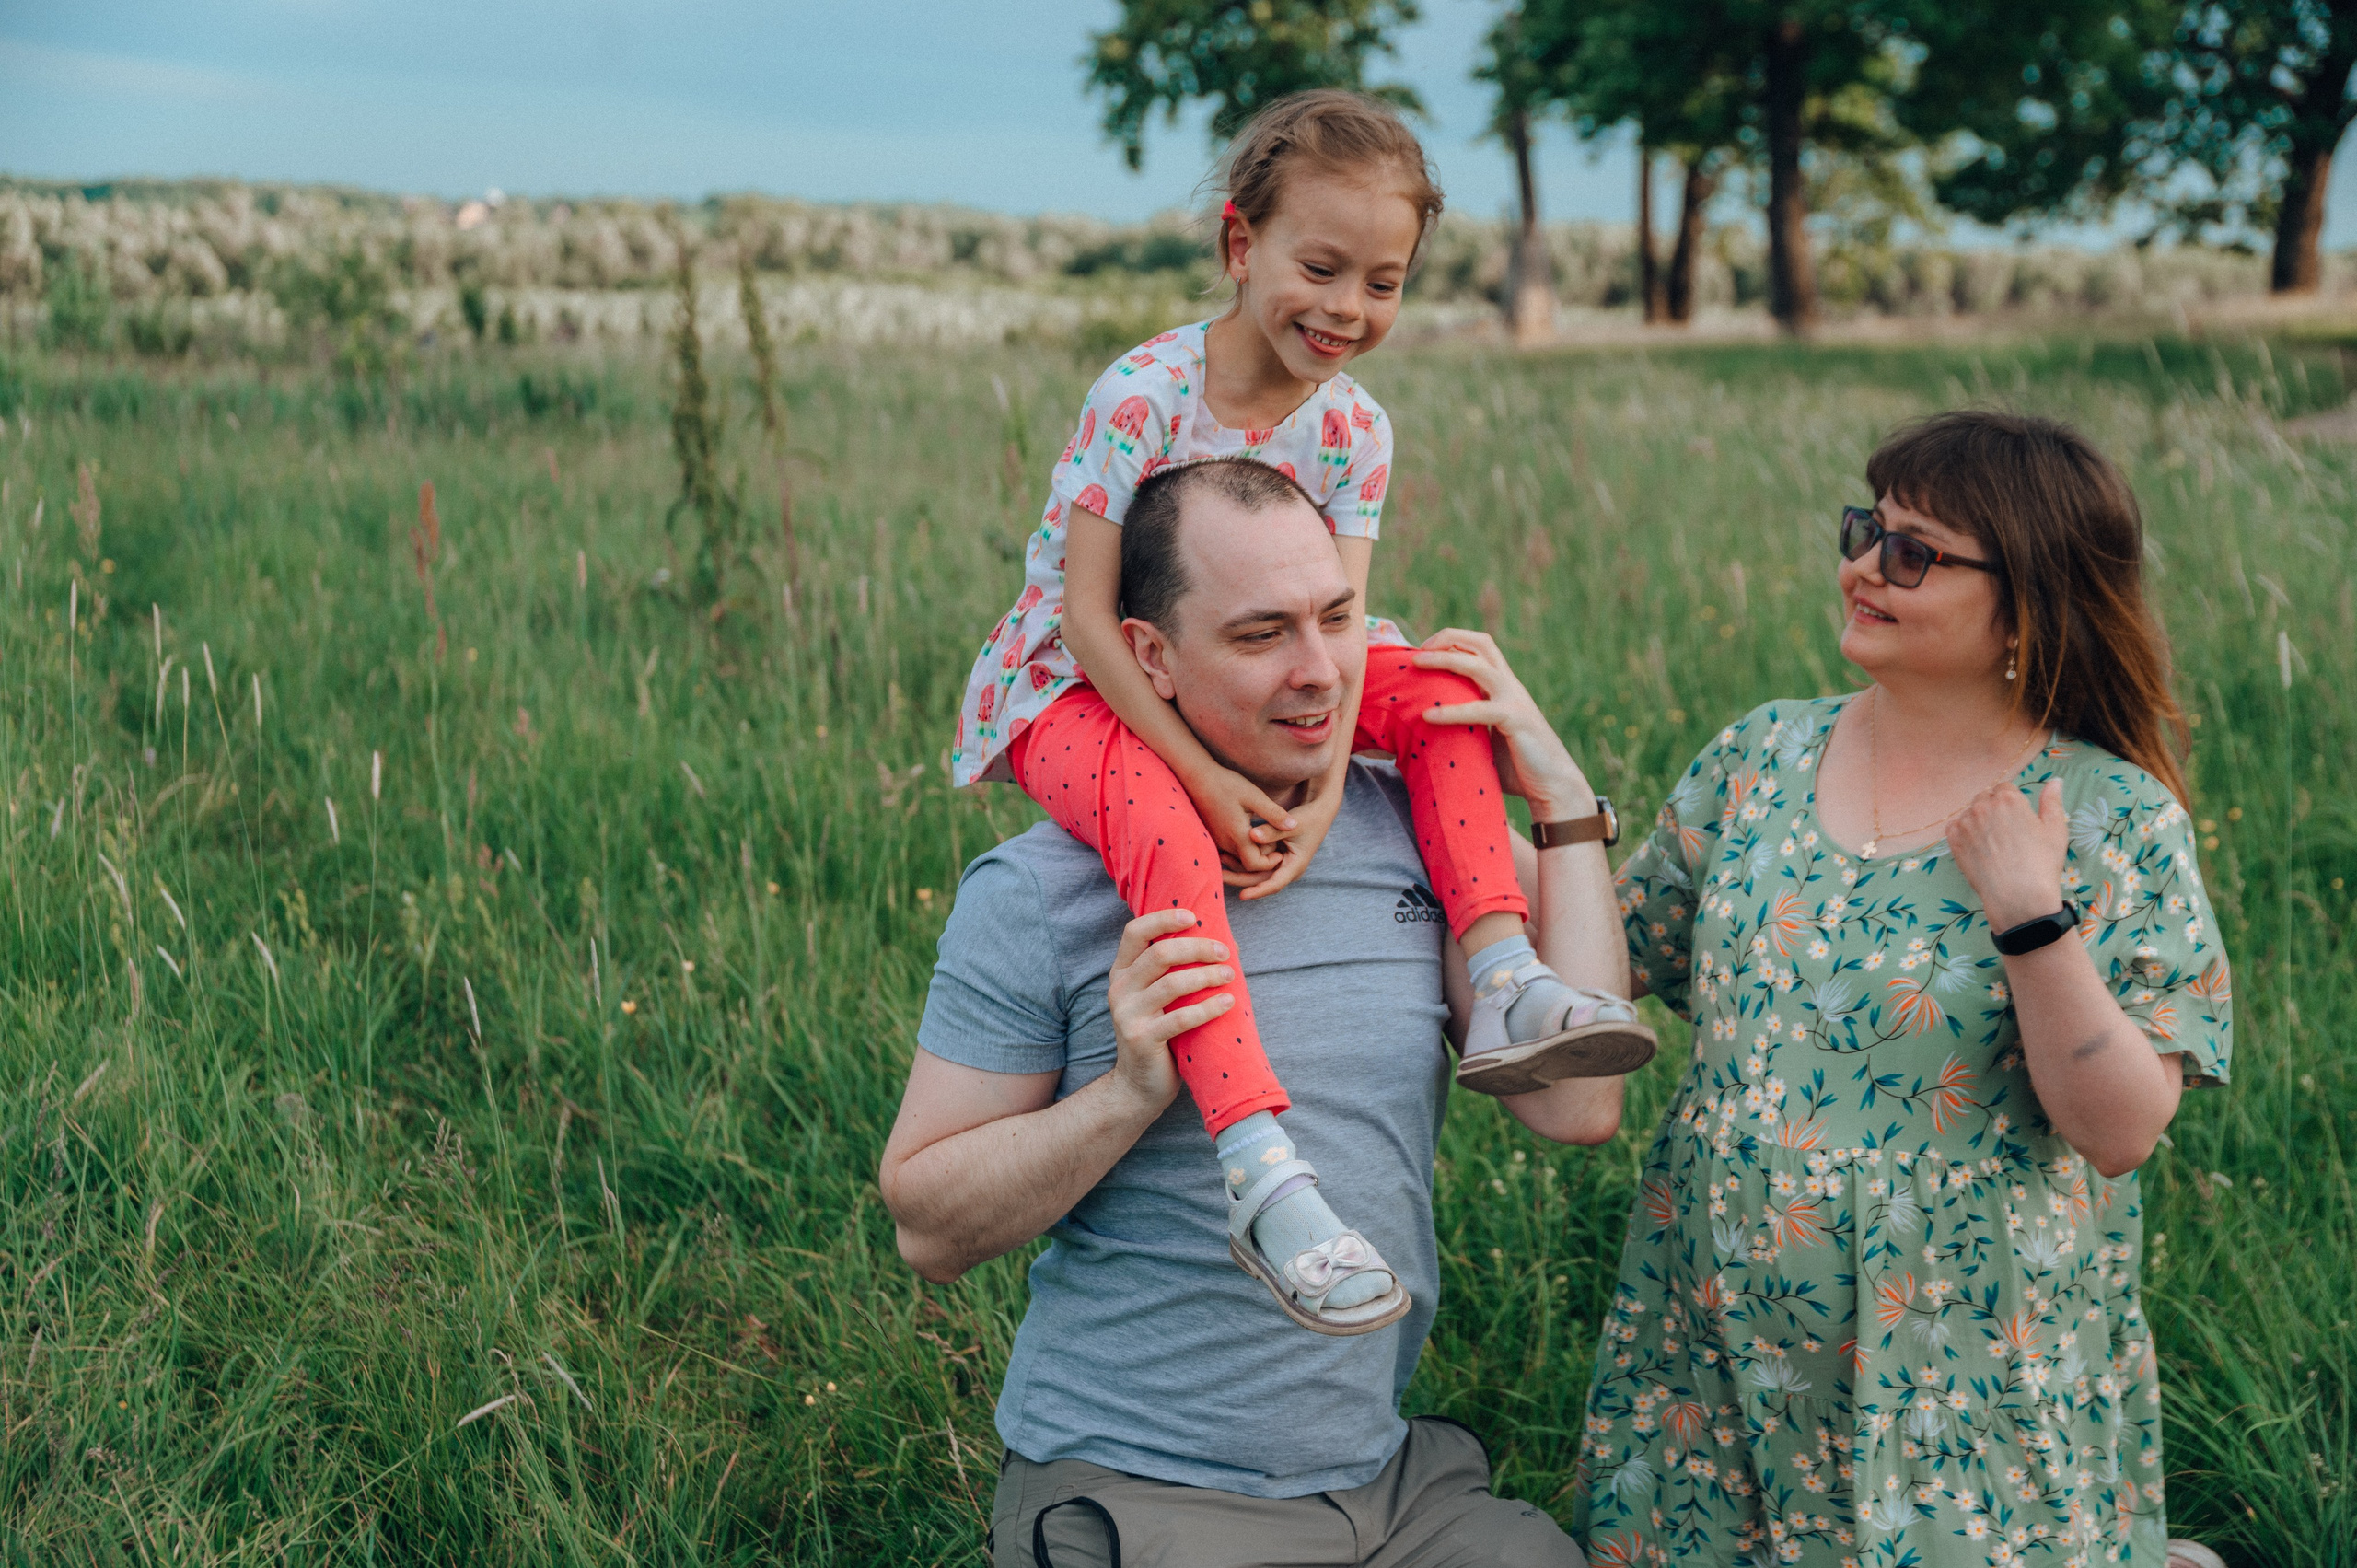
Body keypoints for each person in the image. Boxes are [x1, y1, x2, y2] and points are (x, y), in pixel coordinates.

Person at [948, 90, 1654, 1332]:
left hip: (1245, 668)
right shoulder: (1144, 394)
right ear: (1240, 246)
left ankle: (1502, 974)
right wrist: (1208, 776)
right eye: (1319, 268)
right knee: (1169, 829)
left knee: (1436, 686)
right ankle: (1262, 1169)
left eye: (1383, 283)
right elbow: (1086, 616)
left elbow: (1344, 627)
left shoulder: (1356, 429)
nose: (1346, 310)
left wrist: (1322, 788)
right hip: (1076, 682)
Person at [889, 458, 1629, 1565]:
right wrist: (1129, 1089)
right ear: (1149, 657)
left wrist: (1565, 805)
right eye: (1259, 634)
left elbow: (1576, 1102)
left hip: (1385, 1485)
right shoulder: (1042, 889)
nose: (1321, 671)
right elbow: (927, 1225)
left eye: (1338, 616)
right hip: (1144, 1483)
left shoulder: (1409, 827)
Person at [1575, 412, 2234, 1564]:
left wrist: (2033, 918)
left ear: (2026, 600)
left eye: (1913, 552)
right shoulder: (1759, 757)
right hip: (1716, 1336)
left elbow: (2123, 1128)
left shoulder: (2110, 818)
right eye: (1864, 531)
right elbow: (1594, 977)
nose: (1862, 567)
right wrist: (1536, 802)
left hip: (1960, 1368)